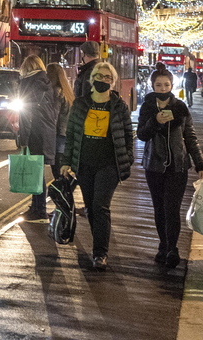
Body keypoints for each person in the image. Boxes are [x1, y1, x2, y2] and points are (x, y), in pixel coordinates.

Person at [59, 61, 134, 271]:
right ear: (92, 79)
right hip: (85, 164)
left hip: (109, 164)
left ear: (113, 81)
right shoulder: (80, 104)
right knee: (91, 208)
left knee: (101, 206)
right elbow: (72, 135)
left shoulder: (119, 106)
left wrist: (127, 158)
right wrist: (66, 161)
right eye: (99, 76)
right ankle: (98, 241)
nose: (103, 80)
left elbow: (128, 135)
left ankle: (100, 253)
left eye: (107, 77)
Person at [136, 68, 203, 267]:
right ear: (152, 86)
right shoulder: (148, 107)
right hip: (154, 166)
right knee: (159, 209)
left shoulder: (180, 108)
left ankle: (172, 249)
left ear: (172, 85)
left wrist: (200, 162)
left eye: (166, 85)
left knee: (172, 208)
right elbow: (141, 134)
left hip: (178, 166)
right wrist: (155, 122)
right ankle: (163, 244)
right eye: (158, 85)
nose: (163, 88)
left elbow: (190, 137)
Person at [17, 55, 61, 220]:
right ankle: (37, 207)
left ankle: (39, 209)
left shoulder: (28, 83)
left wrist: (23, 139)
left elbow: (26, 114)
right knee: (38, 171)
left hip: (35, 131)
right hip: (47, 131)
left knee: (35, 173)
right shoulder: (46, 82)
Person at [46, 62, 74, 171]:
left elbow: (54, 116)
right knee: (62, 168)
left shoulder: (56, 92)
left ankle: (63, 187)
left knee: (57, 169)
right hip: (66, 134)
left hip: (58, 135)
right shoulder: (67, 91)